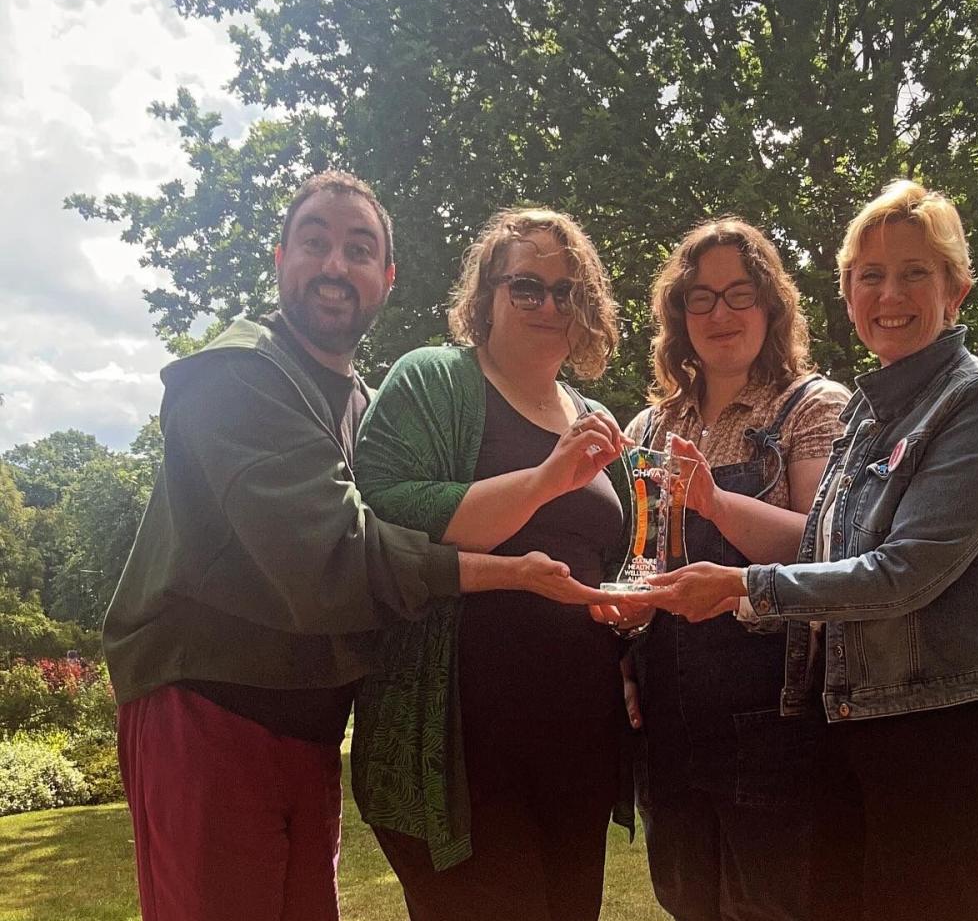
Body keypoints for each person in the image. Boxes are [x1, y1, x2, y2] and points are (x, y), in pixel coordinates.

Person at [103, 172, 610, 921]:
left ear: (387, 277)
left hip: (308, 723)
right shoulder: (240, 373)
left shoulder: (361, 404)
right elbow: (329, 560)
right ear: (280, 258)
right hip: (207, 705)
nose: (336, 266)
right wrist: (509, 573)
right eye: (315, 243)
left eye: (359, 250)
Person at [625, 180, 978, 921]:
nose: (890, 295)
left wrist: (740, 587)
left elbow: (903, 575)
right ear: (848, 294)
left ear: (957, 289)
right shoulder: (867, 419)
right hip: (850, 725)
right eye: (870, 275)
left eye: (915, 272)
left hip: (953, 732)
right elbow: (826, 555)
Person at [350, 207, 634, 921]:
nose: (549, 306)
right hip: (462, 750)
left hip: (577, 743)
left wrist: (627, 619)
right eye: (527, 286)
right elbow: (385, 512)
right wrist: (544, 480)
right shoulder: (434, 379)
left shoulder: (591, 412)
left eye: (567, 291)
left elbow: (609, 559)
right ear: (487, 296)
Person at [618, 218, 850, 920]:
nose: (720, 313)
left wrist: (715, 503)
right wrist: (622, 650)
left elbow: (829, 552)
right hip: (666, 725)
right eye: (701, 297)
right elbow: (630, 562)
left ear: (770, 305)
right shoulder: (648, 429)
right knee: (685, 903)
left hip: (778, 722)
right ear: (679, 316)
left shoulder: (812, 406)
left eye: (739, 293)